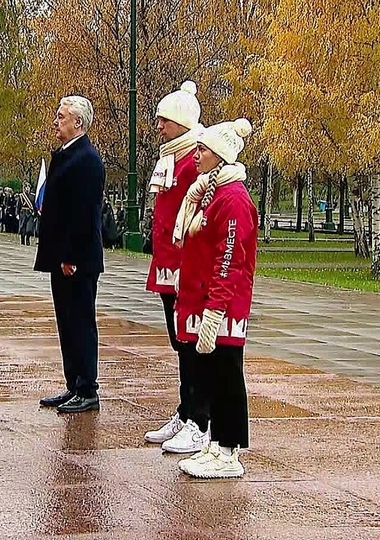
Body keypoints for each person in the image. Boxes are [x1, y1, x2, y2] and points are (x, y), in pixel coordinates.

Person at [172, 118, 256, 478]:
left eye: (203, 149)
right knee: (212, 372)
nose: (197, 154)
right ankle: (215, 441)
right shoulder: (211, 192)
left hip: (224, 303)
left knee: (227, 373)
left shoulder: (233, 200)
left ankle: (228, 447)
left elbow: (230, 258)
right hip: (207, 298)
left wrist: (215, 308)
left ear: (219, 156)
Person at [142, 81, 211, 454]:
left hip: (186, 266)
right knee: (178, 341)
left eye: (163, 120)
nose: (158, 126)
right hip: (168, 264)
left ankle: (199, 418)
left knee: (191, 343)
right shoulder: (171, 157)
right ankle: (186, 412)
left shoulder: (194, 160)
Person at [34, 95, 105, 414]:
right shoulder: (66, 155)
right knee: (66, 321)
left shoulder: (87, 159)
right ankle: (73, 383)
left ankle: (88, 388)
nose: (55, 121)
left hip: (77, 259)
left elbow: (84, 214)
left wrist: (71, 256)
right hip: (61, 255)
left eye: (61, 117)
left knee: (80, 322)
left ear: (78, 122)